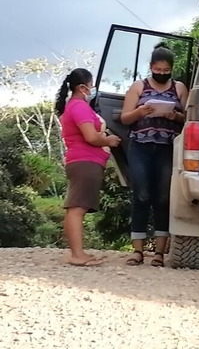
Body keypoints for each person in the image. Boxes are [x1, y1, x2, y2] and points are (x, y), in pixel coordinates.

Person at [120, 43, 188, 267]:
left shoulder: (179, 88)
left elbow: (188, 118)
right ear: (151, 67)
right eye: (157, 70)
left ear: (171, 68)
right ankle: (137, 251)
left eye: (165, 70)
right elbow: (124, 118)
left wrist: (175, 116)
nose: (161, 74)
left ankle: (159, 252)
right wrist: (140, 112)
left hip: (166, 148)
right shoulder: (138, 86)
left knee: (163, 197)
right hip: (140, 146)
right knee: (141, 195)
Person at [56, 68, 121, 266]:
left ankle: (78, 252)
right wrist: (108, 140)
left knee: (76, 207)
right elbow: (91, 137)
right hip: (85, 161)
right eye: (91, 85)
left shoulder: (75, 106)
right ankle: (77, 255)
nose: (93, 89)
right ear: (83, 87)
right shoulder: (79, 107)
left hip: (84, 162)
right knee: (77, 208)